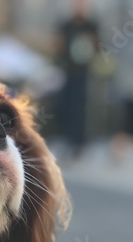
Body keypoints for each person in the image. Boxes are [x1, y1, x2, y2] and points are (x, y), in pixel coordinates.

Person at [56, 0, 99, 156]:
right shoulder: (66, 25)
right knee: (67, 106)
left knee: (81, 108)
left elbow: (96, 47)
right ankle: (69, 139)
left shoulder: (91, 25)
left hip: (84, 75)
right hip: (68, 73)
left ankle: (79, 142)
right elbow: (59, 46)